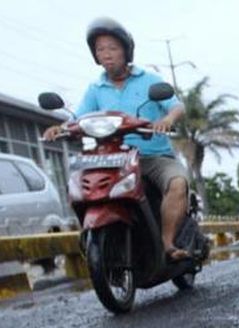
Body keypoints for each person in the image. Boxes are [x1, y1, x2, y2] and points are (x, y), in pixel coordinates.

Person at [43, 18, 189, 260]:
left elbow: (176, 106)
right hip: (113, 159)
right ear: (95, 55)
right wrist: (60, 128)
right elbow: (78, 118)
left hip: (152, 156)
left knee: (177, 183)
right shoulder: (95, 89)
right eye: (100, 50)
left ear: (125, 50)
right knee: (80, 186)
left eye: (112, 48)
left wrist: (168, 120)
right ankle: (95, 239)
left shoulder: (149, 79)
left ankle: (167, 244)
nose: (107, 55)